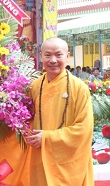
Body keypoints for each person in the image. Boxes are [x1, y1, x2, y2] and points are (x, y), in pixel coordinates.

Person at [26, 37, 94, 185]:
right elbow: (25, 119)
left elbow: (84, 129)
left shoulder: (79, 88)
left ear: (67, 56)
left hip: (69, 163)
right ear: (41, 56)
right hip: (41, 159)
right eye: (48, 55)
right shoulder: (34, 87)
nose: (53, 60)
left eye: (58, 55)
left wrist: (47, 137)